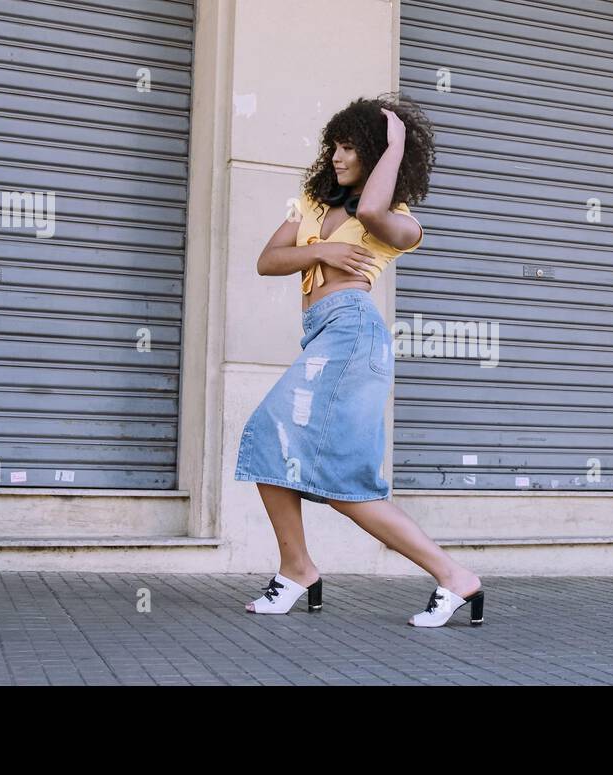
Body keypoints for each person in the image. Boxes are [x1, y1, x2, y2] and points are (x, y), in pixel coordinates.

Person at [233, 94, 485, 627]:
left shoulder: (398, 222)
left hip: (352, 337)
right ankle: (299, 568)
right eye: (335, 147)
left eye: (350, 148)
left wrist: (395, 144)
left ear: (373, 155)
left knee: (332, 475)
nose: (337, 157)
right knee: (273, 448)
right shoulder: (312, 203)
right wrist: (321, 251)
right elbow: (267, 261)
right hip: (321, 335)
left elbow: (370, 208)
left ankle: (450, 576)